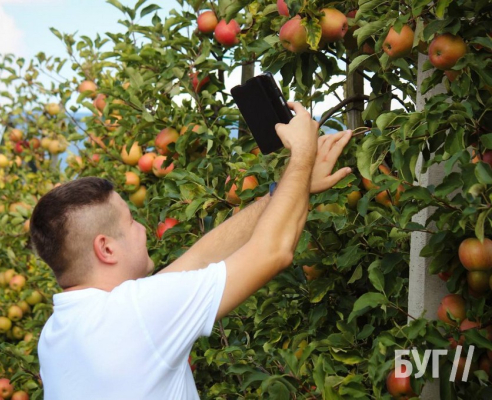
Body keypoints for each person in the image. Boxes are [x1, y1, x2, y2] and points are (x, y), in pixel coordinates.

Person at [29, 102, 354, 399]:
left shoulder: (56, 336)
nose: (142, 228)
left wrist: (286, 190)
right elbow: (273, 252)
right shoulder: (137, 314)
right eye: (130, 222)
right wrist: (302, 154)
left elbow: (199, 258)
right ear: (106, 248)